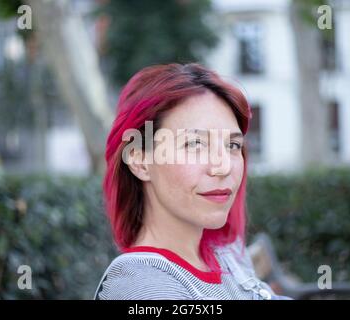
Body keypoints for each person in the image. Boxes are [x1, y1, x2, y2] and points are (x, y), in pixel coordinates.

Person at [94, 63, 290, 300]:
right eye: (195, 145)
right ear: (140, 162)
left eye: (233, 145)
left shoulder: (226, 256)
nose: (224, 166)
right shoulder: (143, 288)